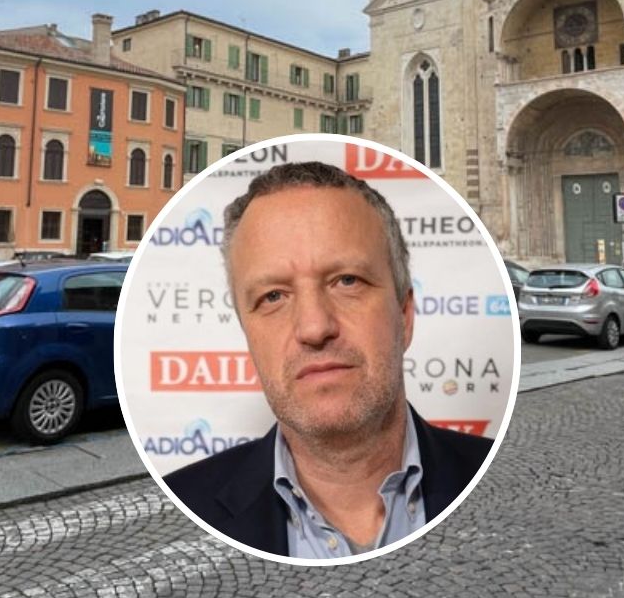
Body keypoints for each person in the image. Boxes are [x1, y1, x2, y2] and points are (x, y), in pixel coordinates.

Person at [163, 161, 495, 559]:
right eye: (273, 297)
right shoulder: (185, 500)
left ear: (404, 317)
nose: (315, 327)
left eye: (347, 282)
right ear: (247, 334)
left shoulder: (493, 476)